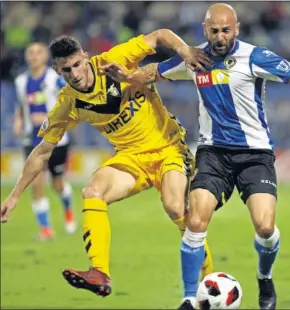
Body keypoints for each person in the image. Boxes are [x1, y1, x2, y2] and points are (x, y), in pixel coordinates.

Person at [99, 3, 290, 309]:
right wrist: (129, 76)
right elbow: (154, 72)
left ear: (236, 29)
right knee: (196, 220)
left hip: (254, 154)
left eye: (225, 30)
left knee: (264, 227)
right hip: (213, 153)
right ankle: (188, 298)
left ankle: (264, 278)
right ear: (205, 29)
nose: (219, 37)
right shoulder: (194, 58)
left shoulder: (255, 57)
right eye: (214, 30)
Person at [1, 30, 215, 297]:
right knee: (92, 191)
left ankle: (211, 279)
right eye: (66, 69)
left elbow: (160, 36)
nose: (75, 73)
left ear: (85, 57)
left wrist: (185, 50)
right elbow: (42, 151)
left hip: (168, 147)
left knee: (174, 207)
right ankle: (99, 272)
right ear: (56, 70)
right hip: (130, 158)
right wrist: (15, 195)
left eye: (77, 64)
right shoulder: (68, 103)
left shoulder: (116, 58)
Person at [14, 41, 76, 240]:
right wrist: (18, 120)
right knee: (36, 182)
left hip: (56, 140)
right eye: (30, 52)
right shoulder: (21, 82)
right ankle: (46, 229)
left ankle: (67, 208)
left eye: (38, 52)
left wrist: (50, 118)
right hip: (31, 140)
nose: (34, 56)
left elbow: (70, 100)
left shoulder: (55, 79)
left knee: (57, 184)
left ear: (45, 57)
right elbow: (22, 105)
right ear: (26, 56)